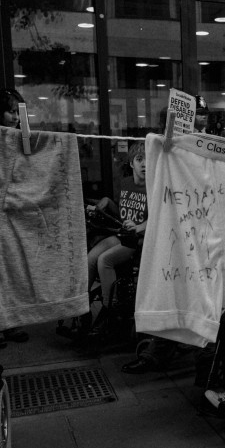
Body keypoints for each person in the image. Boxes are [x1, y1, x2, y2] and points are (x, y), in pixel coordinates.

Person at [85, 142, 148, 347]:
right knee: (90, 259)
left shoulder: (155, 185)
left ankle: (108, 310)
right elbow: (119, 212)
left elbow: (158, 217)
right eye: (139, 160)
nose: (144, 164)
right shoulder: (125, 183)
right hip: (121, 234)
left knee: (105, 260)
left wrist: (138, 227)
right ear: (131, 163)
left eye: (148, 159)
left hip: (138, 241)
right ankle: (81, 306)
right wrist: (104, 203)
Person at [0, 88, 30, 348]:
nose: (14, 117)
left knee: (12, 268)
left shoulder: (19, 138)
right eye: (10, 111)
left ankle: (9, 322)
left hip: (12, 210)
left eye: (17, 112)